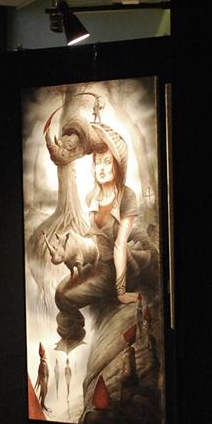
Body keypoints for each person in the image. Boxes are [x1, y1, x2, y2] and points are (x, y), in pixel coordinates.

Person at [53, 119, 154, 353]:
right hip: (97, 264)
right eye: (98, 162)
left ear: (118, 166)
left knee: (64, 297)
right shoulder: (92, 197)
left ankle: (74, 335)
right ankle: (72, 336)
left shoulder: (126, 197)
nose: (101, 167)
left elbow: (119, 245)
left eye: (107, 162)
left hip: (117, 268)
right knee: (60, 292)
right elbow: (93, 237)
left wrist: (121, 292)